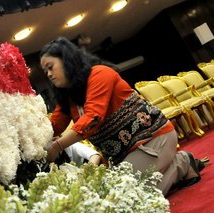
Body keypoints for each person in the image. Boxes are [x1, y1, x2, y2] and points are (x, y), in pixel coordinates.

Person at [40, 36, 207, 195]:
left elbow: (93, 117)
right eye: (44, 70)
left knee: (131, 197)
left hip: (152, 140)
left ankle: (182, 163)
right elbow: (53, 126)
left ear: (67, 60)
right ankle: (171, 167)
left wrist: (57, 146)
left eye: (50, 67)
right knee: (116, 195)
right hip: (124, 156)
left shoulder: (99, 74)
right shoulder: (68, 97)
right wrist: (30, 133)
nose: (48, 74)